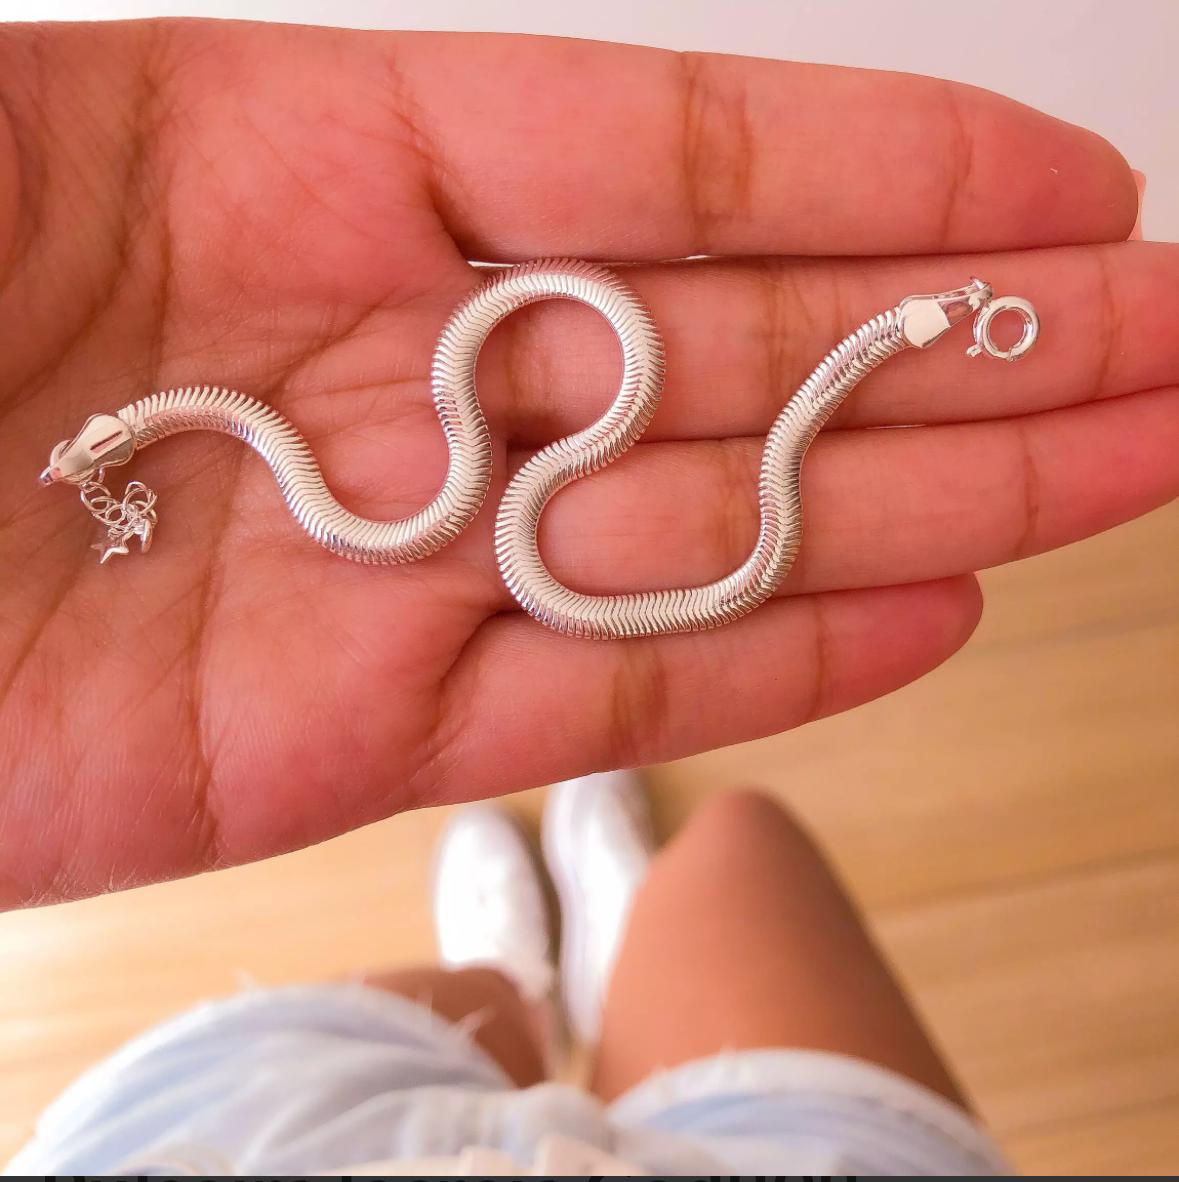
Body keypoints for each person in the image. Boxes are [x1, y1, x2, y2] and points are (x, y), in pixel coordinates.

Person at [7, 774, 1010, 1174]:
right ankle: (613, 968)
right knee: (738, 844)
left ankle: (515, 982)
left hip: (228, 1148)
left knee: (458, 1014)